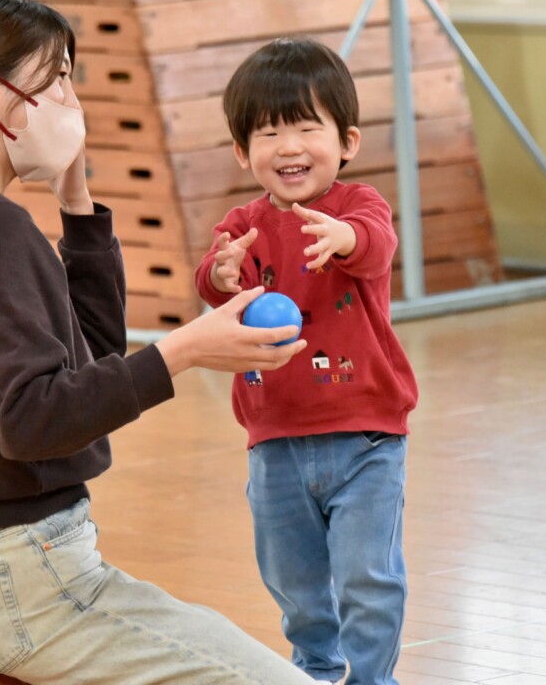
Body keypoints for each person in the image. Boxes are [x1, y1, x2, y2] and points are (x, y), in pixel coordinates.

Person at [0, 0, 319, 685]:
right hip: (26, 578)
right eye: (57, 80)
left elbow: (90, 363)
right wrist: (185, 350)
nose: (70, 104)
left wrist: (76, 202)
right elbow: (31, 419)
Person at [194, 38, 418, 685]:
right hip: (276, 438)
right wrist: (221, 273)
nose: (289, 146)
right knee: (292, 578)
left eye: (306, 128)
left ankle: (372, 679)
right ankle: (315, 668)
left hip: (366, 437)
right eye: (268, 133)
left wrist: (344, 237)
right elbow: (215, 286)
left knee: (368, 576)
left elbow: (376, 246)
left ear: (346, 141)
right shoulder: (242, 225)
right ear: (243, 151)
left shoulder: (358, 207)